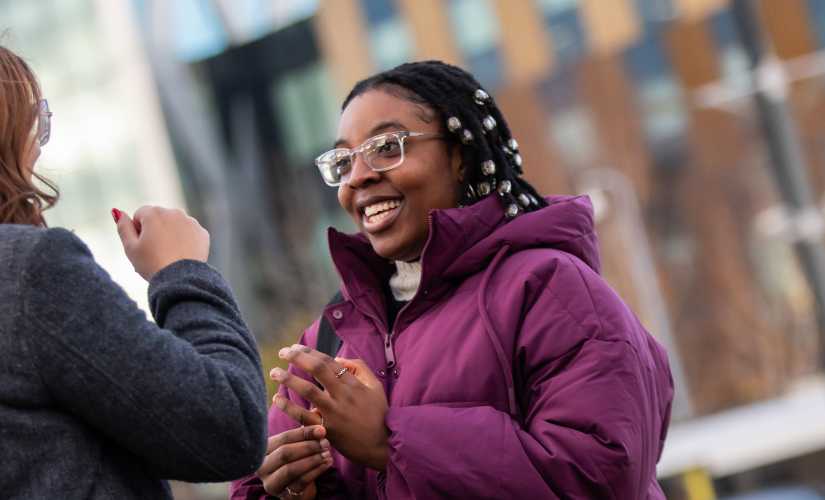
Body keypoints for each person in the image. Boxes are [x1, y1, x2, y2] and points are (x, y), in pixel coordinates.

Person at [230, 60, 674, 500]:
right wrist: (294, 490)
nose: (359, 176)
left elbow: (603, 476)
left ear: (460, 158)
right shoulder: (330, 335)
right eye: (344, 161)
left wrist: (391, 443)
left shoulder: (549, 289)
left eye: (387, 146)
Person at [0, 45, 268, 498]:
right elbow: (230, 427)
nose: (37, 150)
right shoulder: (29, 273)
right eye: (34, 124)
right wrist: (180, 272)